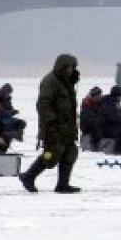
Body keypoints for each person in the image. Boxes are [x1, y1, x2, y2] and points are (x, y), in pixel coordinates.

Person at [18, 53, 82, 194]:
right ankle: (28, 176)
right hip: (54, 127)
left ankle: (63, 184)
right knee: (51, 155)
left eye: (72, 67)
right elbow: (43, 104)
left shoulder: (68, 82)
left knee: (69, 153)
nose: (70, 69)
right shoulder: (50, 81)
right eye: (68, 67)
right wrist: (51, 122)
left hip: (68, 127)